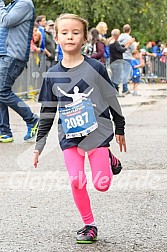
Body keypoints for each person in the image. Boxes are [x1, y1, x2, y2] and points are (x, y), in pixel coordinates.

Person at [33, 13, 126, 244]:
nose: (70, 36)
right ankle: (89, 225)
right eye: (64, 32)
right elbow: (47, 113)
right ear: (57, 36)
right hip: (70, 136)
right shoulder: (52, 75)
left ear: (84, 38)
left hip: (98, 134)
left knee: (101, 185)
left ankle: (109, 159)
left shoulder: (95, 67)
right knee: (76, 180)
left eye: (75, 32)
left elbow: (111, 97)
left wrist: (120, 127)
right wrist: (39, 144)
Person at [0, 0, 39, 143]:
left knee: (2, 91)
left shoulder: (24, 3)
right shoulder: (14, 5)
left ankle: (32, 119)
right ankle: (4, 132)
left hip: (13, 56)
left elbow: (6, 21)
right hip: (5, 54)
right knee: (1, 92)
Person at [109, 29, 135, 95]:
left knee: (114, 77)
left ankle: (115, 91)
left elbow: (119, 47)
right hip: (118, 61)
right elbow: (121, 50)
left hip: (112, 61)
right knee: (117, 77)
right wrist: (128, 44)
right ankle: (116, 92)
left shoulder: (111, 42)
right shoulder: (115, 42)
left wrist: (125, 45)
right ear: (118, 35)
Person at [118, 24, 136, 94]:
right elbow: (132, 48)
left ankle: (121, 87)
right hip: (127, 56)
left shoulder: (120, 37)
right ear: (130, 30)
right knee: (126, 73)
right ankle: (125, 88)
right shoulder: (129, 38)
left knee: (121, 72)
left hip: (120, 56)